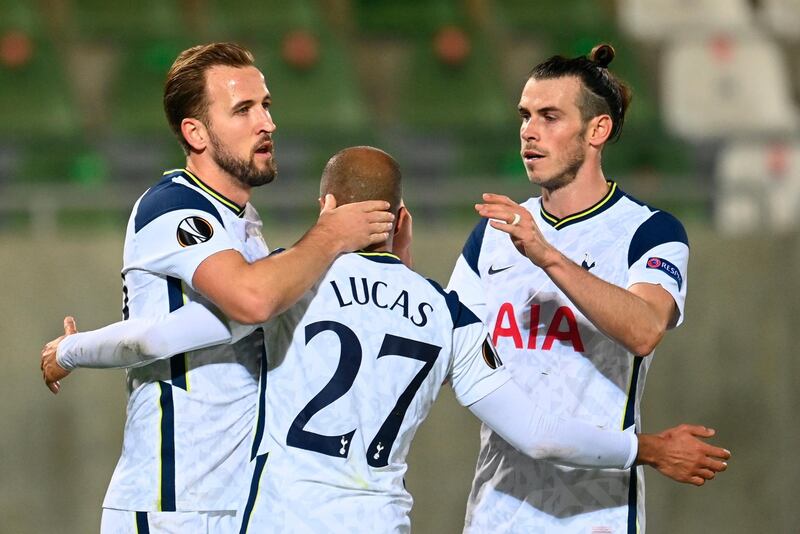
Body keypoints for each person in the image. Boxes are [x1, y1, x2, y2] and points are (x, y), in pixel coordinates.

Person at [44, 147, 728, 533]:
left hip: (281, 517)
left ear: (326, 209)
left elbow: (157, 338)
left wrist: (69, 351)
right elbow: (542, 433)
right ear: (400, 220)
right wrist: (647, 448)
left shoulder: (282, 286)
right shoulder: (449, 314)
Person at [40, 43, 393, 533]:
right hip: (170, 505)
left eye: (266, 105)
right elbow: (249, 301)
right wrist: (330, 236)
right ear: (196, 132)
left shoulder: (246, 225)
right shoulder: (172, 205)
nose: (266, 123)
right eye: (243, 109)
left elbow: (213, 325)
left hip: (239, 502)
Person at [447, 44, 728, 533]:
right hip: (497, 513)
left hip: (596, 517)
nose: (528, 132)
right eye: (525, 116)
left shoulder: (649, 232)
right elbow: (451, 354)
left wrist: (549, 256)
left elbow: (644, 329)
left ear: (597, 130)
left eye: (550, 116)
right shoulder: (493, 233)